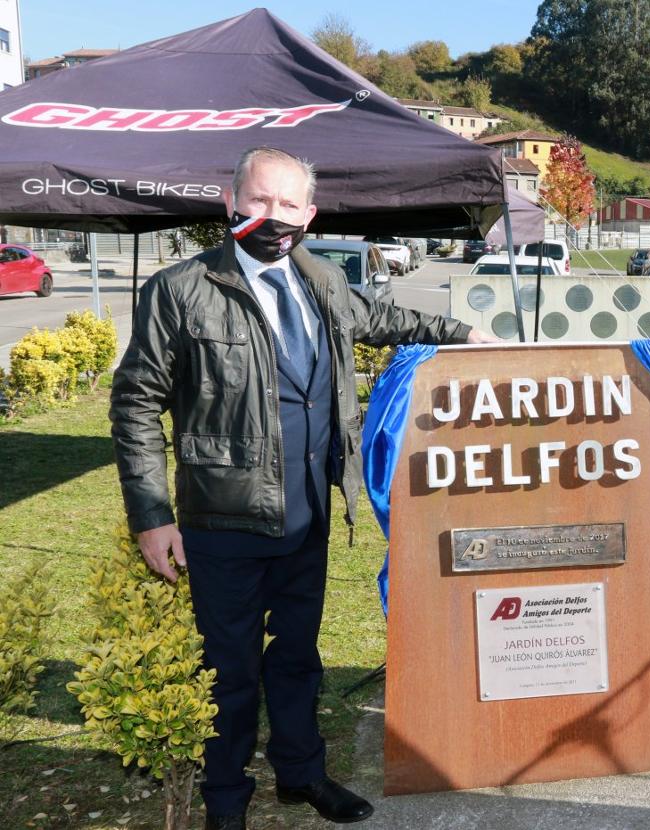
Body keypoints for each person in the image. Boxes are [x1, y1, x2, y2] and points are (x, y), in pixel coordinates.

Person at [110, 146, 494, 830]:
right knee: (227, 673)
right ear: (231, 202)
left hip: (308, 514)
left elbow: (386, 320)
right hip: (221, 523)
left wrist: (465, 334)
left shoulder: (320, 282)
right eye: (258, 200)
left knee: (295, 659)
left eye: (288, 204)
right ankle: (225, 801)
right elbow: (136, 402)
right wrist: (151, 515)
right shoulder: (180, 290)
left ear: (309, 214)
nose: (273, 216)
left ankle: (301, 775)